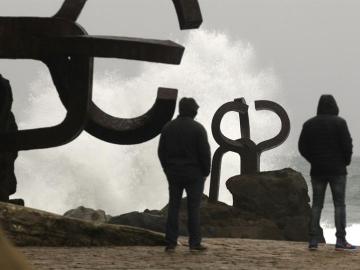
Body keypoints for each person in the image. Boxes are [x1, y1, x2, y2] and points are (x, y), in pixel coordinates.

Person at [298, 94, 355, 251]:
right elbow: (347, 145)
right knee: (339, 205)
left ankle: (313, 241)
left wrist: (313, 160)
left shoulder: (309, 124)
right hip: (337, 170)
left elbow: (302, 147)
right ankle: (340, 241)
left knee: (317, 205)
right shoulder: (340, 123)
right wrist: (346, 161)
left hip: (317, 170)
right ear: (335, 106)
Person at [158, 97, 211, 252]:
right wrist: (205, 172)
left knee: (173, 207)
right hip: (194, 174)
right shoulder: (198, 128)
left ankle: (170, 242)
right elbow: (204, 153)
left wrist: (167, 169)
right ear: (192, 111)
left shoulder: (168, 127)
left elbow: (161, 152)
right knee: (193, 209)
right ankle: (195, 243)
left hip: (174, 173)